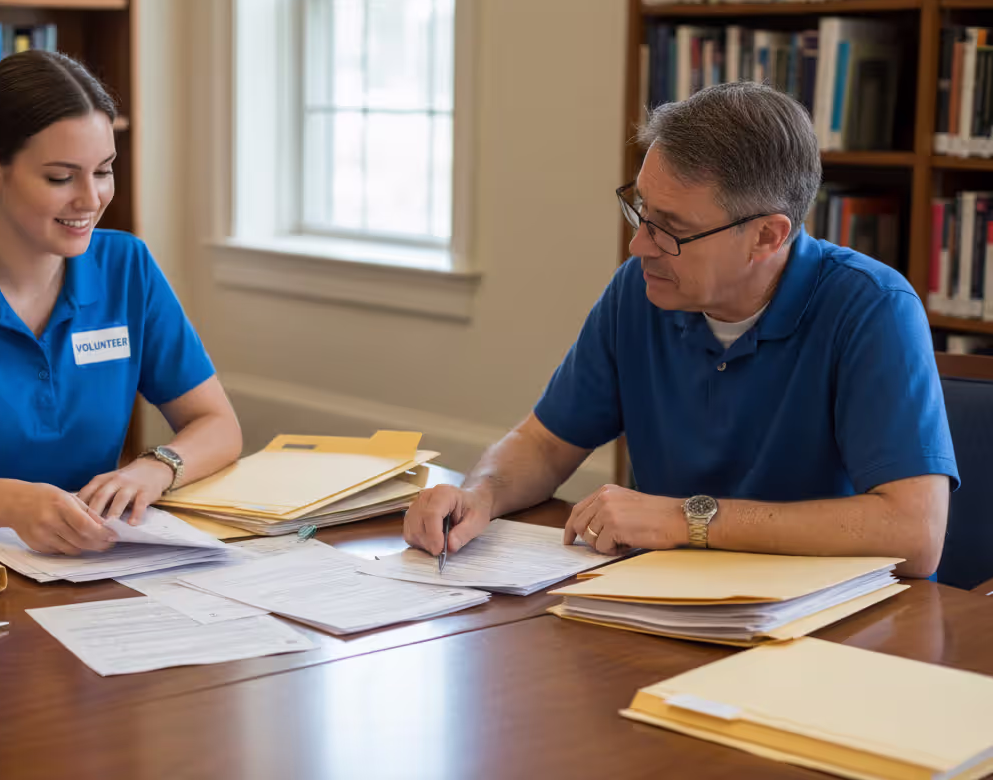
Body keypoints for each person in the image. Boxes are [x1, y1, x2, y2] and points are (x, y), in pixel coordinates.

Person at [404, 81, 957, 578]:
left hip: (824, 628)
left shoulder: (872, 308)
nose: (638, 245)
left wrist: (687, 518)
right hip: (666, 600)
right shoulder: (640, 292)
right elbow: (546, 444)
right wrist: (480, 495)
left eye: (671, 229)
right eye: (641, 210)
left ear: (767, 235)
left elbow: (915, 534)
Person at [0, 50, 241, 556]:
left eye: (103, 170)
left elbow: (218, 424)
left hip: (82, 563)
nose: (91, 198)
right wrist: (14, 504)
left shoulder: (127, 266)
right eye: (60, 177)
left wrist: (157, 466)